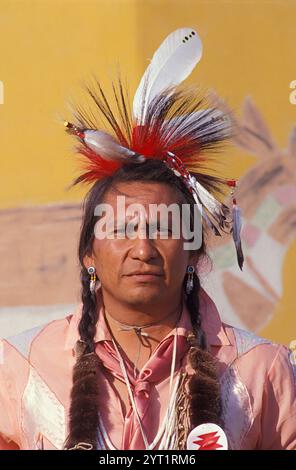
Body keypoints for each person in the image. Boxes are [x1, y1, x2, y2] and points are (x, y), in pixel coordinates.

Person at [0, 28, 295, 451]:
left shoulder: (260, 369)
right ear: (89, 254)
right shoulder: (19, 364)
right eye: (121, 230)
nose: (143, 250)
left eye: (164, 229)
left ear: (193, 252)